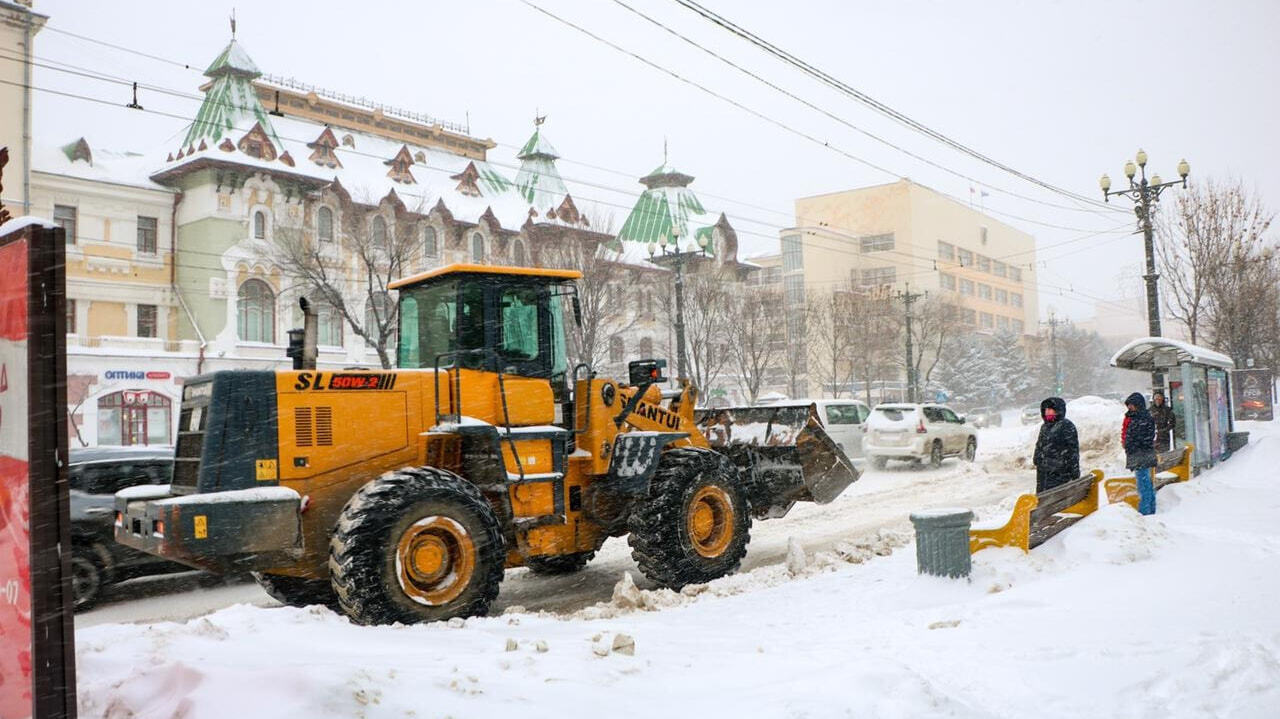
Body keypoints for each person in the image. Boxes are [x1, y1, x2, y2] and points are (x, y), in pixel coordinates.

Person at [1033, 397, 1079, 493]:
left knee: (1050, 498)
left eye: (1050, 410)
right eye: (1045, 410)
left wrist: (1074, 473)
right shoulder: (1045, 427)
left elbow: (1072, 451)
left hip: (1059, 474)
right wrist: (1037, 458)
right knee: (1043, 498)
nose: (1047, 412)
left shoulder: (1066, 426)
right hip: (1044, 474)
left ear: (1058, 411)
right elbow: (1039, 445)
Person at [1122, 392, 1158, 515]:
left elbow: (1143, 437)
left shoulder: (1142, 419)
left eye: (1131, 405)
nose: (1129, 407)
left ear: (1138, 405)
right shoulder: (1142, 417)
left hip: (1141, 455)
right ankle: (1150, 509)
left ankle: (1145, 511)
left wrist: (1131, 445)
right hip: (1142, 454)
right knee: (1146, 482)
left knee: (1143, 484)